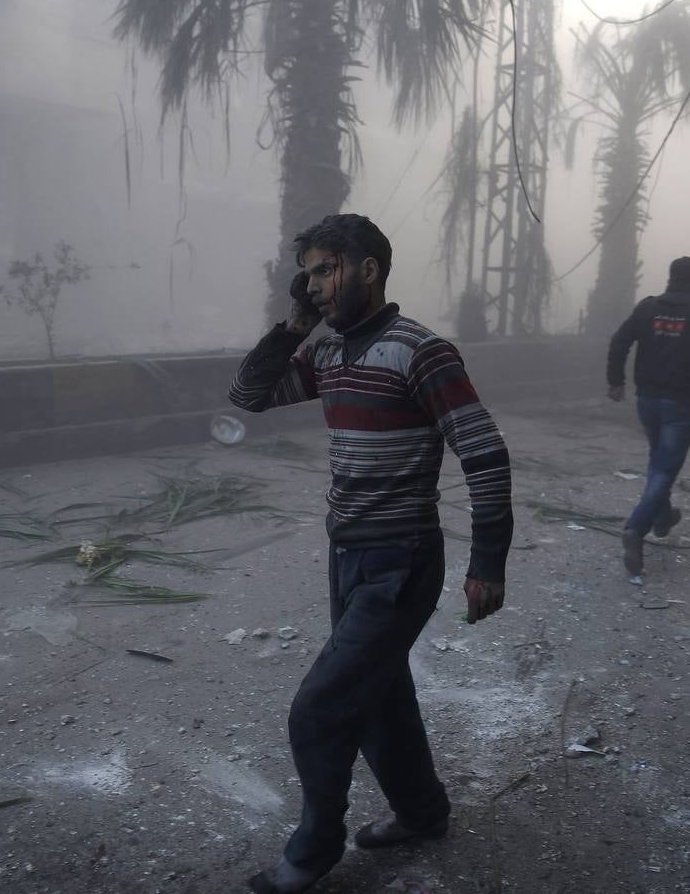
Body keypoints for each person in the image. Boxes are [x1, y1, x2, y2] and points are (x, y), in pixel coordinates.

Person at [228, 213, 513, 893]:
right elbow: (249, 395)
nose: (315, 284)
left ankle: (314, 849)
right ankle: (422, 813)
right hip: (348, 554)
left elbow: (484, 453)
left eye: (326, 269)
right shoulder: (329, 353)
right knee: (378, 696)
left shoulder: (421, 351)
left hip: (401, 558)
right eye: (310, 272)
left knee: (320, 709)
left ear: (368, 269)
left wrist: (488, 563)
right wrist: (297, 322)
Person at [607, 255, 690, 580]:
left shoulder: (647, 308)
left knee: (658, 460)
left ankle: (663, 518)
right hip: (681, 404)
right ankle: (635, 529)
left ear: (670, 277)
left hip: (647, 400)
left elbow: (619, 341)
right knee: (664, 469)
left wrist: (616, 381)